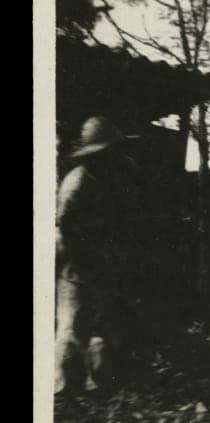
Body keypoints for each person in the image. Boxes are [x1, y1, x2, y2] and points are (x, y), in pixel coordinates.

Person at [55, 117, 136, 394]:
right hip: (76, 264)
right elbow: (66, 229)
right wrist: (82, 262)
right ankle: (65, 386)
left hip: (100, 262)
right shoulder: (76, 184)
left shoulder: (107, 179)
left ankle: (96, 382)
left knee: (101, 323)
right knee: (73, 326)